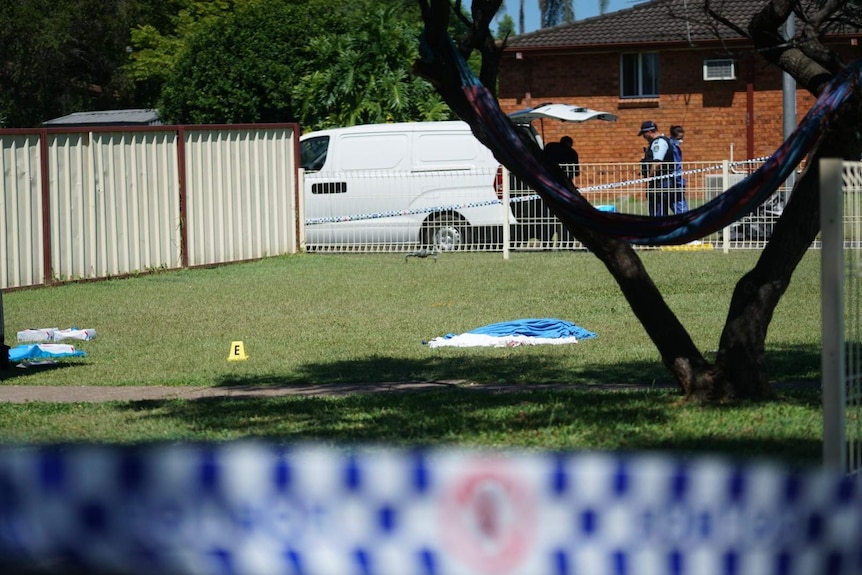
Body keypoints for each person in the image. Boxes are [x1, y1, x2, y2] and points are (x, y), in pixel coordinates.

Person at [638, 120, 678, 217]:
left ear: (649, 132)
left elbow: (657, 163)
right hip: (662, 181)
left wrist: (650, 178)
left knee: (657, 212)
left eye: (644, 134)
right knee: (658, 211)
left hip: (661, 182)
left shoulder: (659, 143)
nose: (644, 137)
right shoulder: (659, 142)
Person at [668, 125, 689, 214]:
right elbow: (675, 166)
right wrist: (680, 182)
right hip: (674, 183)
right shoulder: (672, 148)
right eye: (679, 138)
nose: (681, 140)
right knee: (682, 210)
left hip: (675, 182)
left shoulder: (675, 147)